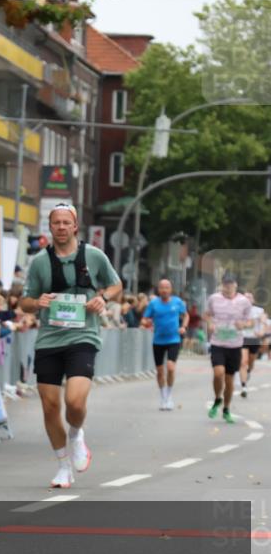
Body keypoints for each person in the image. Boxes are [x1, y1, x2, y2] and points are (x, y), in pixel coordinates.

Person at [20, 202, 122, 489]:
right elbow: (24, 301)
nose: (62, 227)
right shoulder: (40, 261)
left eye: (67, 223)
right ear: (50, 227)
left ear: (75, 226)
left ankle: (76, 434)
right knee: (50, 405)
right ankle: (63, 465)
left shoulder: (94, 256)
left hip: (83, 336)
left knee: (74, 402)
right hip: (49, 338)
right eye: (56, 223)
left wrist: (103, 296)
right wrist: (36, 302)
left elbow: (116, 285)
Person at [204, 274, 251, 422]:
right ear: (222, 285)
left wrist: (243, 325)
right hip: (218, 343)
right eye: (226, 284)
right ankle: (218, 397)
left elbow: (250, 321)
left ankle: (226, 408)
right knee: (219, 373)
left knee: (229, 380)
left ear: (236, 285)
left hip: (235, 345)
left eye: (231, 284)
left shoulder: (244, 301)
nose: (228, 286)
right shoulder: (214, 299)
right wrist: (210, 323)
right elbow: (206, 314)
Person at [141, 278, 187, 410]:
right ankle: (163, 397)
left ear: (170, 289)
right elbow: (145, 319)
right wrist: (146, 323)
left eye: (167, 287)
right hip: (158, 341)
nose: (164, 290)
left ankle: (169, 395)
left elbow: (186, 315)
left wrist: (184, 327)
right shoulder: (153, 304)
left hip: (174, 340)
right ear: (158, 289)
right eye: (162, 287)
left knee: (171, 368)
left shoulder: (177, 302)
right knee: (160, 372)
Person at [239, 292, 266, 398]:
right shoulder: (238, 310)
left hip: (254, 339)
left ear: (253, 300)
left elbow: (263, 322)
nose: (247, 299)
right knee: (243, 362)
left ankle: (248, 371)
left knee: (251, 362)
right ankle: (244, 386)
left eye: (249, 297)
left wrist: (262, 332)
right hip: (242, 338)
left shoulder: (259, 310)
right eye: (245, 297)